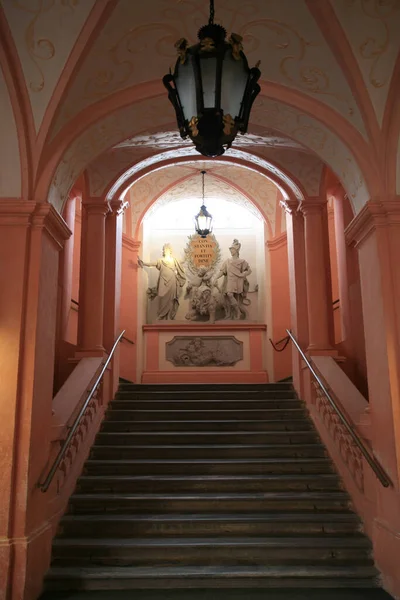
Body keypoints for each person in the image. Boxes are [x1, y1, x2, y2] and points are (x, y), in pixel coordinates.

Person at [138, 243, 186, 320]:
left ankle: (169, 318)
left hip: (172, 280)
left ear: (170, 251)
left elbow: (182, 261)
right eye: (164, 249)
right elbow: (152, 264)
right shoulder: (160, 260)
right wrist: (143, 263)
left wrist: (187, 255)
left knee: (171, 299)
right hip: (163, 280)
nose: (164, 251)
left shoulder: (174, 260)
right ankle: (162, 315)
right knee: (161, 296)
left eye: (165, 249)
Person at [214, 239, 251, 320]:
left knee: (235, 297)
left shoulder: (242, 261)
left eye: (232, 249)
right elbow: (222, 272)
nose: (231, 251)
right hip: (229, 281)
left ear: (236, 250)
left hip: (238, 281)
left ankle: (235, 314)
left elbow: (249, 270)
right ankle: (236, 312)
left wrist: (244, 274)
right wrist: (215, 278)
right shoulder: (227, 261)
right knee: (229, 295)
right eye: (230, 249)